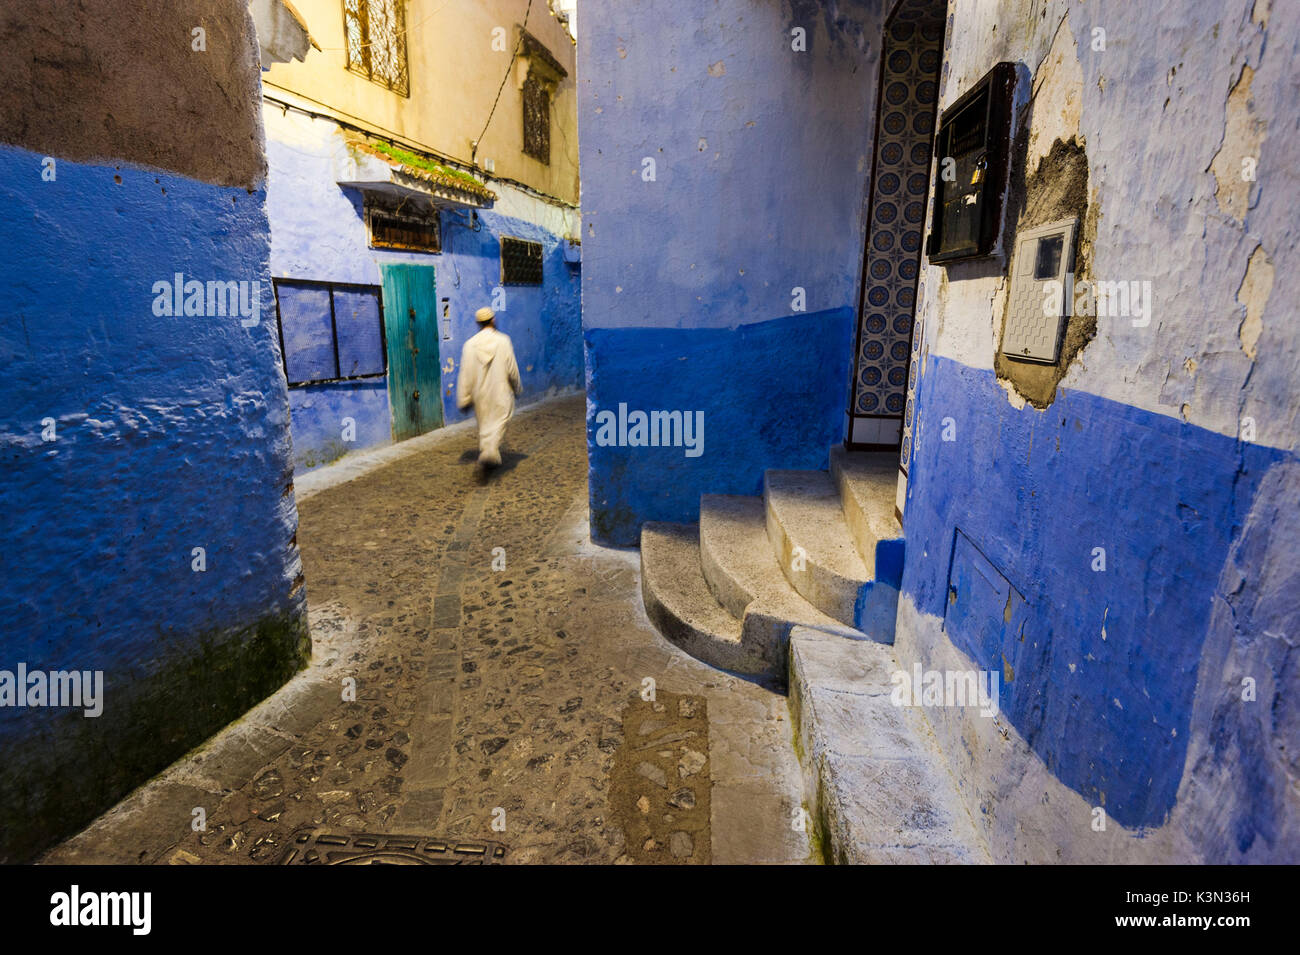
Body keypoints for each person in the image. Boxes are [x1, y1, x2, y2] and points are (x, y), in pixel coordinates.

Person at [456, 306, 522, 474]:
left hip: (480, 393)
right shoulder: (503, 341)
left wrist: (464, 397)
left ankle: (488, 450)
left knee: (485, 423)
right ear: (492, 320)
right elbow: (512, 368)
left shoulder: (469, 345)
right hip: (501, 390)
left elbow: (465, 373)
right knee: (500, 420)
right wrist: (517, 386)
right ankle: (490, 452)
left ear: (478, 323)